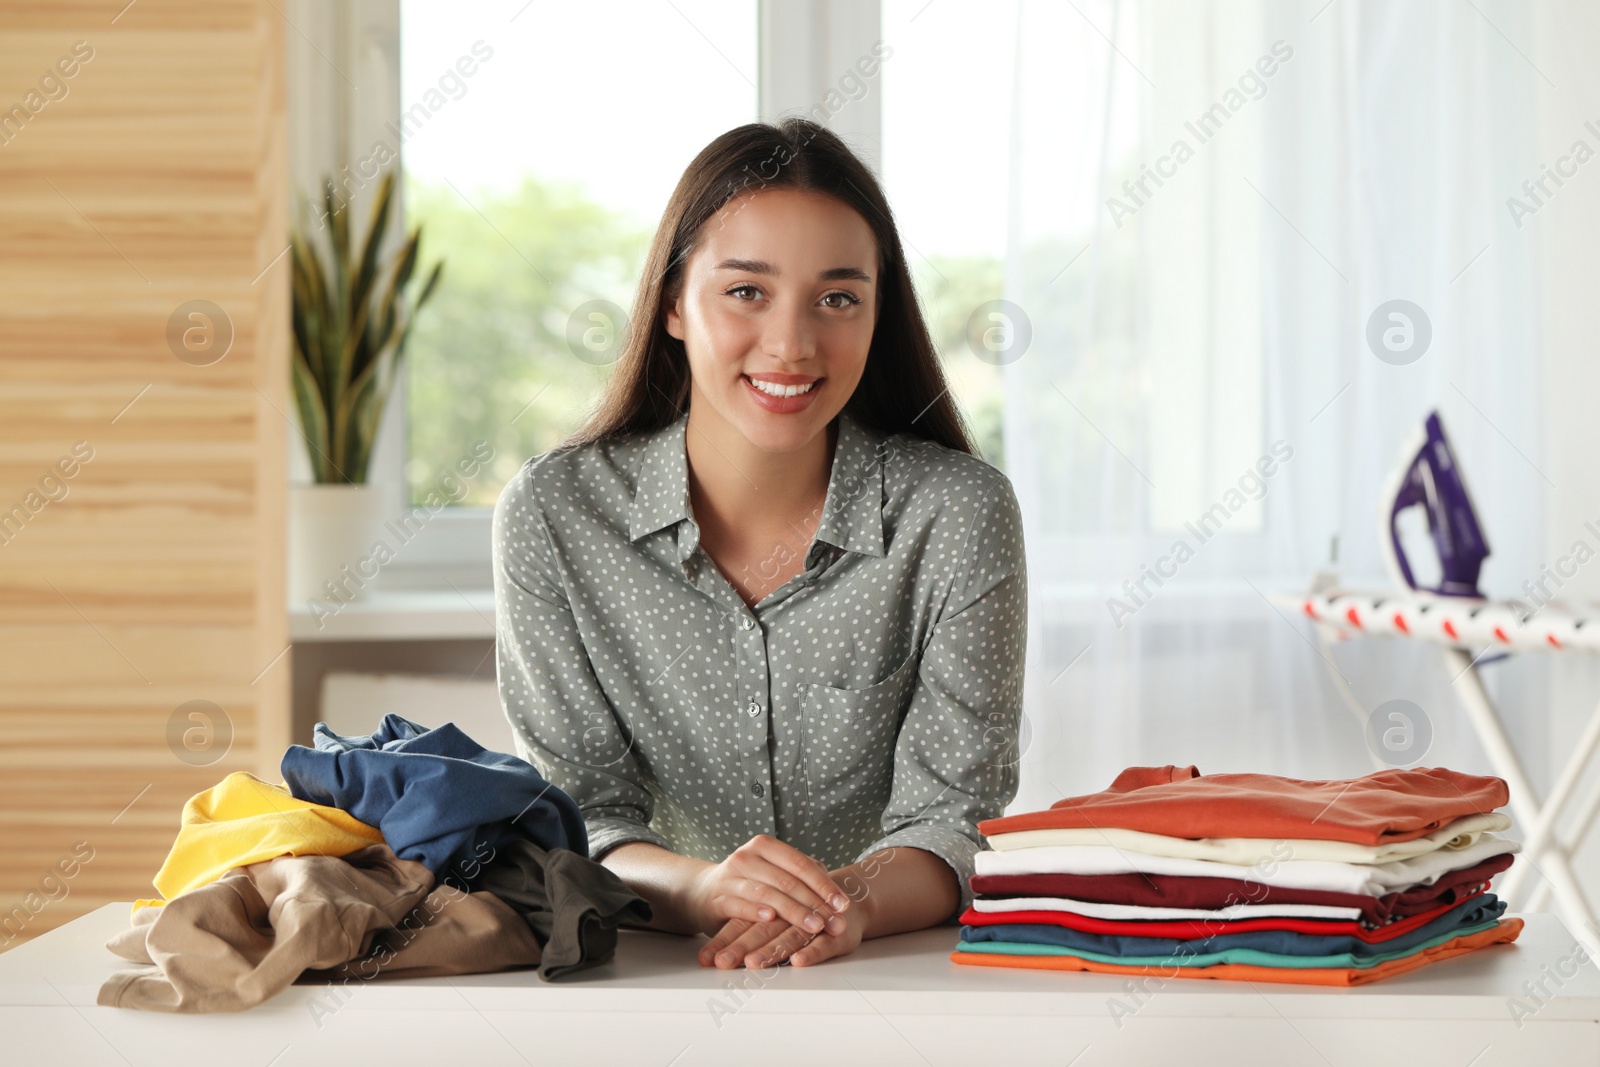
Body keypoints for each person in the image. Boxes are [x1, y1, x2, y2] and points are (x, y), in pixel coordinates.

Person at [492, 117, 1027, 971]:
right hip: (646, 979)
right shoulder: (554, 516)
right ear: (673, 303)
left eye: (838, 298)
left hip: (891, 978)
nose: (793, 343)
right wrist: (703, 891)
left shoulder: (958, 514)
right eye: (747, 291)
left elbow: (955, 819)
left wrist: (844, 903)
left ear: (877, 313)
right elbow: (582, 813)